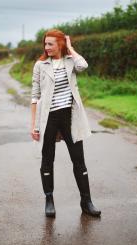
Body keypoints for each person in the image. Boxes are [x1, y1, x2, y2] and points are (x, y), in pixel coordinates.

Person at [31, 29, 101, 218]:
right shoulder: (40, 65)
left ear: (60, 44)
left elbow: (83, 65)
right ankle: (49, 200)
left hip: (70, 117)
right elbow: (34, 97)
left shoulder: (70, 61)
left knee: (79, 160)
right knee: (47, 160)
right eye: (45, 44)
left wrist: (70, 47)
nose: (47, 47)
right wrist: (34, 126)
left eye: (51, 44)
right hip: (48, 118)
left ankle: (86, 201)